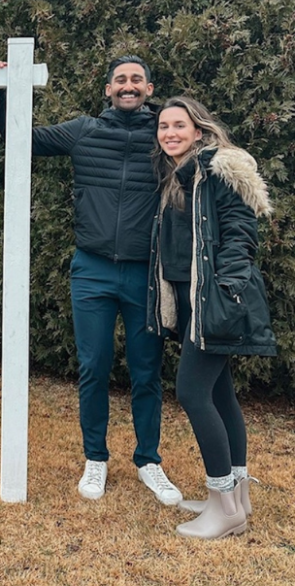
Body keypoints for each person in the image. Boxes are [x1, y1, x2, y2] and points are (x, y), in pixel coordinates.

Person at [19, 56, 182, 503]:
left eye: (136, 80)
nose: (128, 86)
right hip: (91, 270)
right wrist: (2, 85)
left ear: (149, 88)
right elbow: (19, 137)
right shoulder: (83, 131)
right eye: (120, 80)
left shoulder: (166, 138)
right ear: (107, 89)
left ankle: (149, 461)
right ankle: (96, 459)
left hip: (145, 275)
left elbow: (210, 160)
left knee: (147, 371)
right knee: (93, 367)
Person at [148, 97, 275, 539]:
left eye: (179, 125)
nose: (170, 133)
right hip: (190, 300)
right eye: (163, 126)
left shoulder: (221, 169)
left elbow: (240, 235)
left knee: (192, 392)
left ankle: (224, 506)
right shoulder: (179, 176)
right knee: (221, 395)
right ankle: (236, 500)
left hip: (214, 300)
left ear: (198, 130)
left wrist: (227, 293)